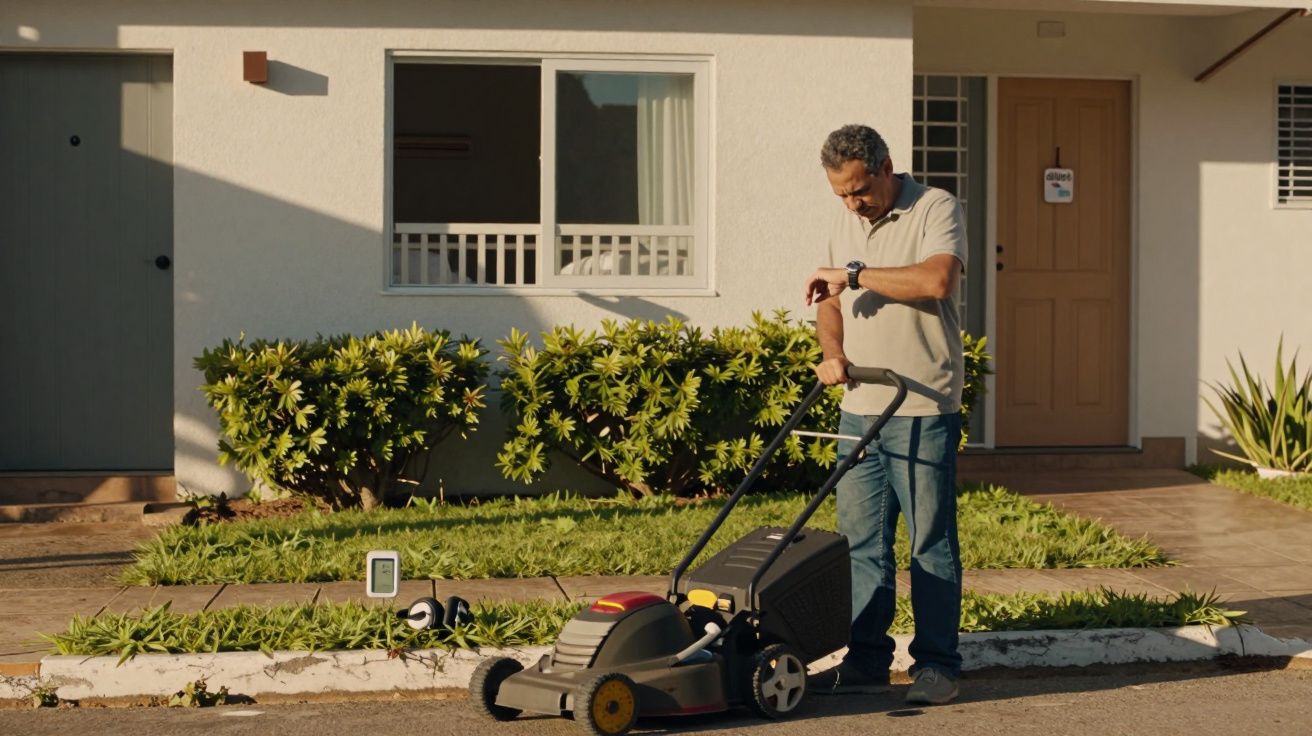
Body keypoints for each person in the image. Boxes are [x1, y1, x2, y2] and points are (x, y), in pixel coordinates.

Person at [803, 124, 967, 705]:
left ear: (885, 166)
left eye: (859, 190)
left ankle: (937, 666)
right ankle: (866, 661)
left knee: (929, 542)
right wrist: (833, 353)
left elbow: (937, 280)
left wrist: (853, 275)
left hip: (921, 401)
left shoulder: (935, 207)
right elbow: (829, 301)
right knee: (861, 545)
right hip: (861, 408)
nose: (852, 203)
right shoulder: (844, 219)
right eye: (841, 195)